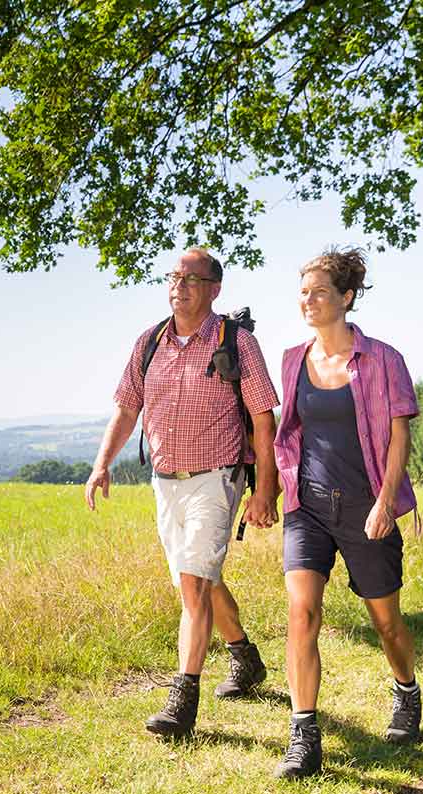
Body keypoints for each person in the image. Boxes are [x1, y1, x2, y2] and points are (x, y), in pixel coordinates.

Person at [85, 247, 281, 737]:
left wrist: (266, 493)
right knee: (201, 581)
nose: (179, 286)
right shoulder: (149, 342)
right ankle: (246, 659)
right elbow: (127, 407)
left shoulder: (236, 343)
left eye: (191, 279)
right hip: (164, 481)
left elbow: (263, 418)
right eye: (174, 277)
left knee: (193, 584)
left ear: (214, 289)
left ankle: (182, 701)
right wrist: (101, 464)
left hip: (217, 477)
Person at [271, 247, 422, 778]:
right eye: (303, 292)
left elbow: (398, 435)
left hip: (366, 508)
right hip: (308, 505)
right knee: (302, 613)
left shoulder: (383, 359)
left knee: (387, 623)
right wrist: (275, 488)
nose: (307, 301)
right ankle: (303, 734)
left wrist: (385, 501)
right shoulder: (293, 359)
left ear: (346, 298)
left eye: (319, 292)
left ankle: (406, 690)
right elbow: (285, 430)